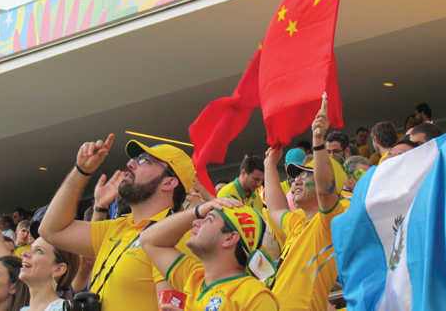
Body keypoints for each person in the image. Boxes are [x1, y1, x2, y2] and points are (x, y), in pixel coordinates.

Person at [39, 134, 195, 311]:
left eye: (145, 161)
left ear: (169, 182)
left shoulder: (174, 238)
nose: (130, 164)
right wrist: (81, 171)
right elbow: (51, 230)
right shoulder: (118, 227)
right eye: (134, 159)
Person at [263, 95, 347, 310]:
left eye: (305, 175)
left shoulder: (330, 222)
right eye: (295, 177)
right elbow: (276, 208)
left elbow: (325, 191)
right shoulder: (298, 224)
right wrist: (270, 165)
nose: (296, 182)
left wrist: (318, 142)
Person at [141, 198, 278, 310]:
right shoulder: (193, 276)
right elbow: (148, 240)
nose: (195, 222)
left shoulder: (255, 296)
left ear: (229, 238)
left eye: (209, 219)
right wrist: (197, 211)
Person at [19, 238, 79, 311]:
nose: (25, 253)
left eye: (39, 251)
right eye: (30, 248)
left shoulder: (63, 309)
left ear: (58, 269)